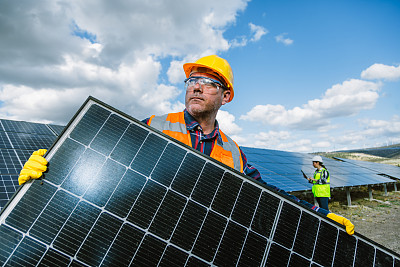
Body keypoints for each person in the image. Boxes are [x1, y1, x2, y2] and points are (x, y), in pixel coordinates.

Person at [18, 55, 354, 235]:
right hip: (141, 234)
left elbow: (266, 194)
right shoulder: (154, 125)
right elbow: (102, 161)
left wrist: (320, 215)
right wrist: (53, 168)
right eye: (192, 80)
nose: (196, 87)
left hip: (199, 241)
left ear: (226, 96)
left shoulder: (233, 152)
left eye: (208, 83)